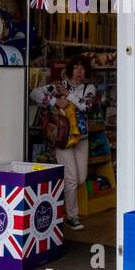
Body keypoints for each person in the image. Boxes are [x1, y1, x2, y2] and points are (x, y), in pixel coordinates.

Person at [30, 58, 97, 231]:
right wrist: (54, 101)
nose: (79, 70)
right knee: (72, 178)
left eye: (82, 67)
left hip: (81, 138)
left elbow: (86, 107)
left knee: (81, 178)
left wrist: (68, 95)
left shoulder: (89, 88)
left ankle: (60, 201)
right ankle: (72, 216)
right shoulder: (57, 85)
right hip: (63, 138)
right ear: (69, 69)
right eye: (75, 66)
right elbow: (34, 93)